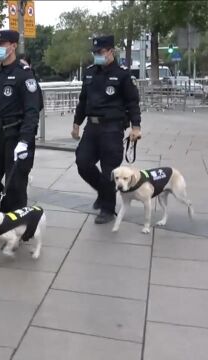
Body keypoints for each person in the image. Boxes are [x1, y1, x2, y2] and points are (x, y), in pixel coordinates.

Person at [72, 35, 142, 224]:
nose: (97, 56)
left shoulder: (123, 75)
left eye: (100, 52)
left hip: (112, 128)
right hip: (91, 128)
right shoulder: (89, 73)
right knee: (82, 162)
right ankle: (103, 192)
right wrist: (76, 123)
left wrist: (136, 126)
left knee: (109, 170)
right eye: (94, 53)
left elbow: (132, 103)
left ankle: (107, 209)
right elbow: (83, 101)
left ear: (111, 51)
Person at [0, 30, 41, 212]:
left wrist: (24, 141)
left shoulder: (24, 75)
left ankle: (19, 228)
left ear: (13, 46)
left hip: (15, 136)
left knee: (16, 186)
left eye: (1, 44)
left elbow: (32, 111)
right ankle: (8, 214)